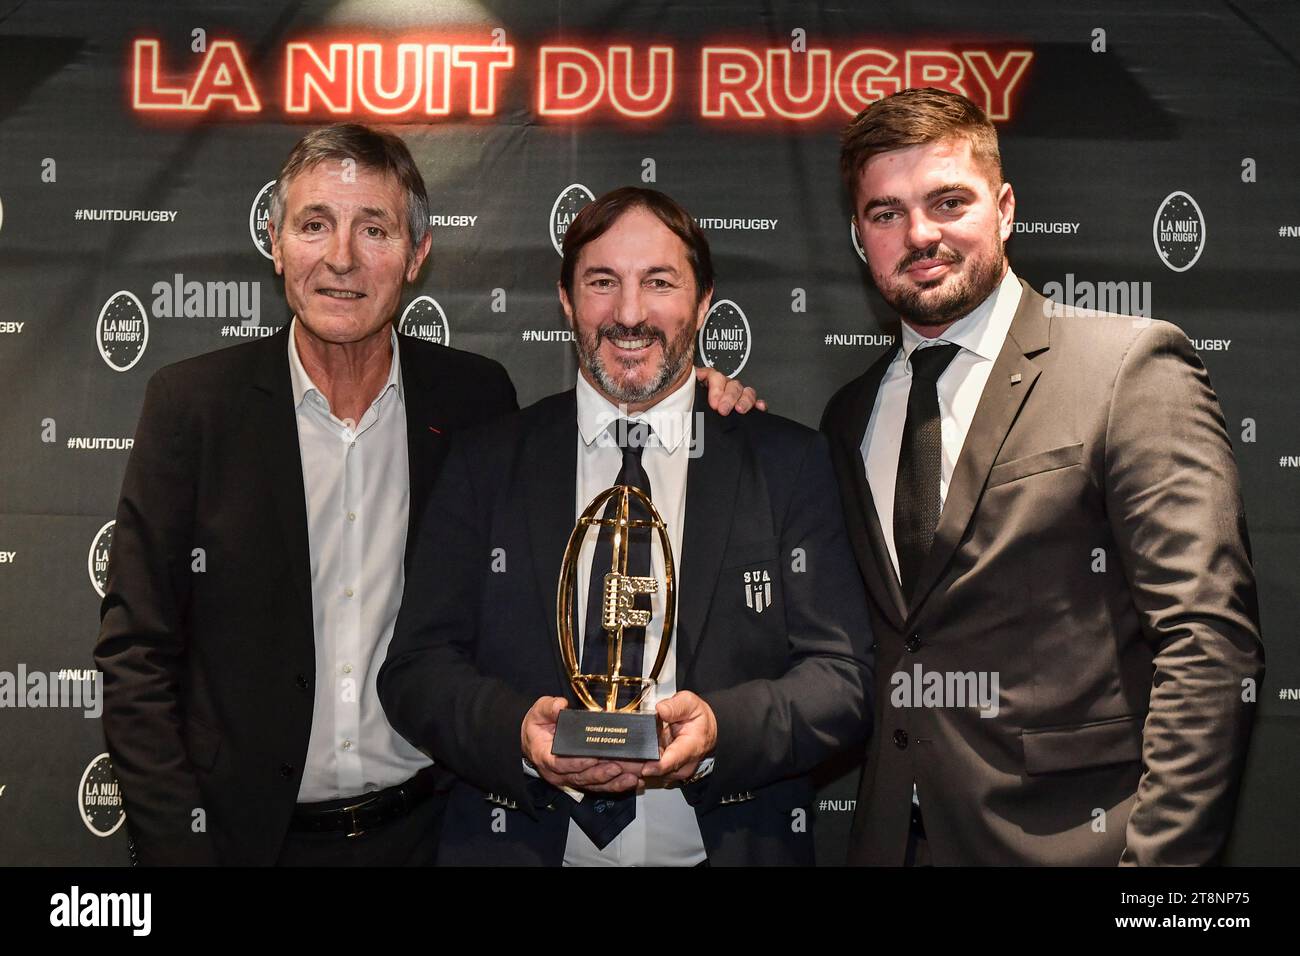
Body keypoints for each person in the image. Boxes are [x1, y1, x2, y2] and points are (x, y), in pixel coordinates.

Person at [95, 124, 756, 866]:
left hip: (430, 836)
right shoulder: (194, 408)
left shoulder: (473, 400)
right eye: (315, 224)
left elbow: (587, 450)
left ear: (416, 254)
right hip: (241, 842)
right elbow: (136, 657)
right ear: (275, 242)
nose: (341, 257)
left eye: (373, 228)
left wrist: (686, 399)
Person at [821, 88, 1264, 866]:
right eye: (885, 213)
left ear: (1006, 207)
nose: (919, 234)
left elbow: (1207, 642)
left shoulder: (1128, 367)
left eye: (948, 201)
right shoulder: (850, 412)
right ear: (860, 239)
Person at [379, 186, 874, 866]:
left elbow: (842, 677)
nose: (630, 313)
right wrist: (518, 734)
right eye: (602, 283)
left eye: (659, 282)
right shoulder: (486, 461)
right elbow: (416, 670)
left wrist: (720, 732)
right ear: (566, 302)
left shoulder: (786, 463)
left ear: (703, 305)